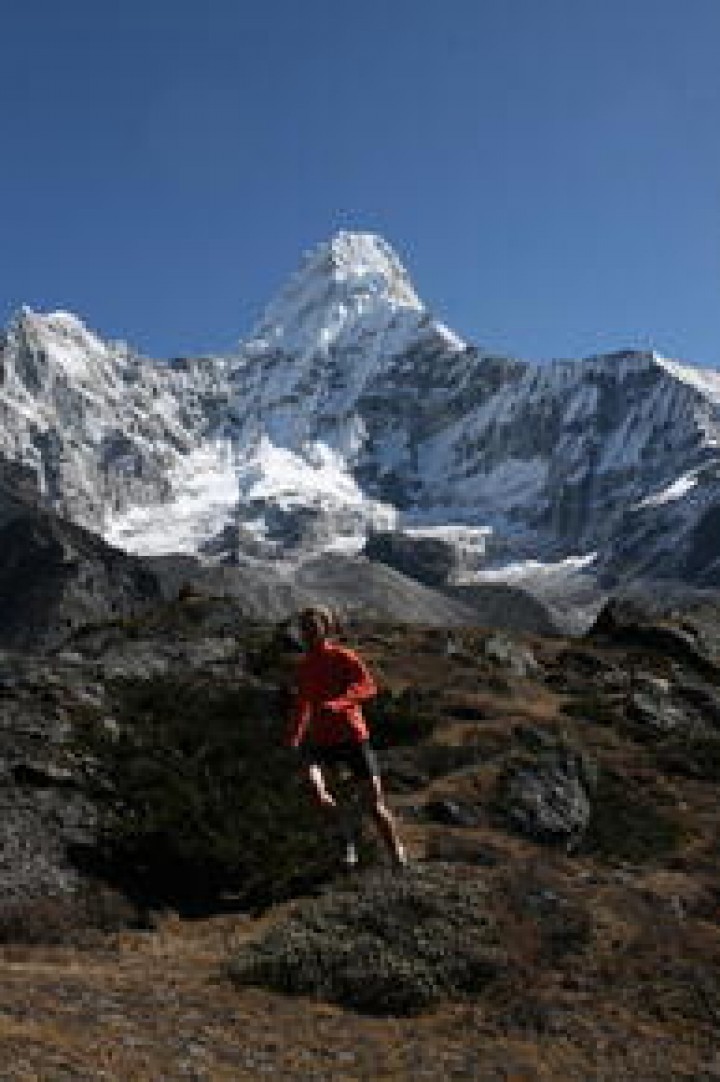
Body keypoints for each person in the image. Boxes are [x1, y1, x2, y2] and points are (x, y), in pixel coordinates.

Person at [284, 605, 407, 867]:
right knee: (320, 793)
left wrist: (340, 703)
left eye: (313, 628)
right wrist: (295, 736)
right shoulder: (304, 667)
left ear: (326, 629)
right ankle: (347, 845)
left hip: (352, 738)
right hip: (321, 741)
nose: (308, 634)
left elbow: (368, 687)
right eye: (304, 629)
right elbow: (302, 705)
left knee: (374, 804)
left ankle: (397, 854)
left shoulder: (344, 657)